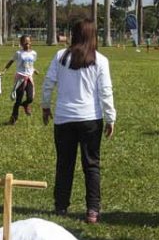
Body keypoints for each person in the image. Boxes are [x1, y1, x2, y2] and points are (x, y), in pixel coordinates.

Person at [41, 19, 116, 223]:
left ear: (73, 34)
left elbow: (48, 83)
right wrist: (111, 118)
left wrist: (46, 106)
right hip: (90, 119)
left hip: (64, 118)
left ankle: (61, 206)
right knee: (91, 165)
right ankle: (92, 209)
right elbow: (106, 92)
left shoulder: (60, 57)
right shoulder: (100, 60)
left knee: (64, 164)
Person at [2, 34, 37, 124]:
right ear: (21, 43)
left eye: (29, 42)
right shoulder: (18, 53)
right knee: (18, 100)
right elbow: (11, 62)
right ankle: (13, 118)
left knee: (30, 98)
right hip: (20, 79)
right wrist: (4, 70)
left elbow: (30, 64)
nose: (27, 44)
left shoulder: (33, 53)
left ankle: (25, 104)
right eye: (25, 43)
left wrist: (34, 70)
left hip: (29, 78)